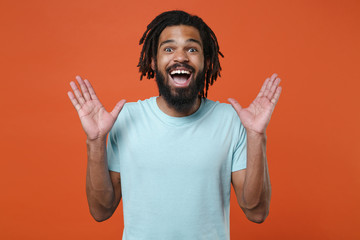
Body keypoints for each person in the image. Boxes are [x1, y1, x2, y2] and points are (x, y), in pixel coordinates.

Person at [67, 10, 282, 240]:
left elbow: (256, 211)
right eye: (169, 49)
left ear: (207, 62)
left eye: (192, 49)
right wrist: (96, 141)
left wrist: (257, 136)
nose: (181, 57)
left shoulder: (230, 120)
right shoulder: (127, 118)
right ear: (153, 61)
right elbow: (101, 211)